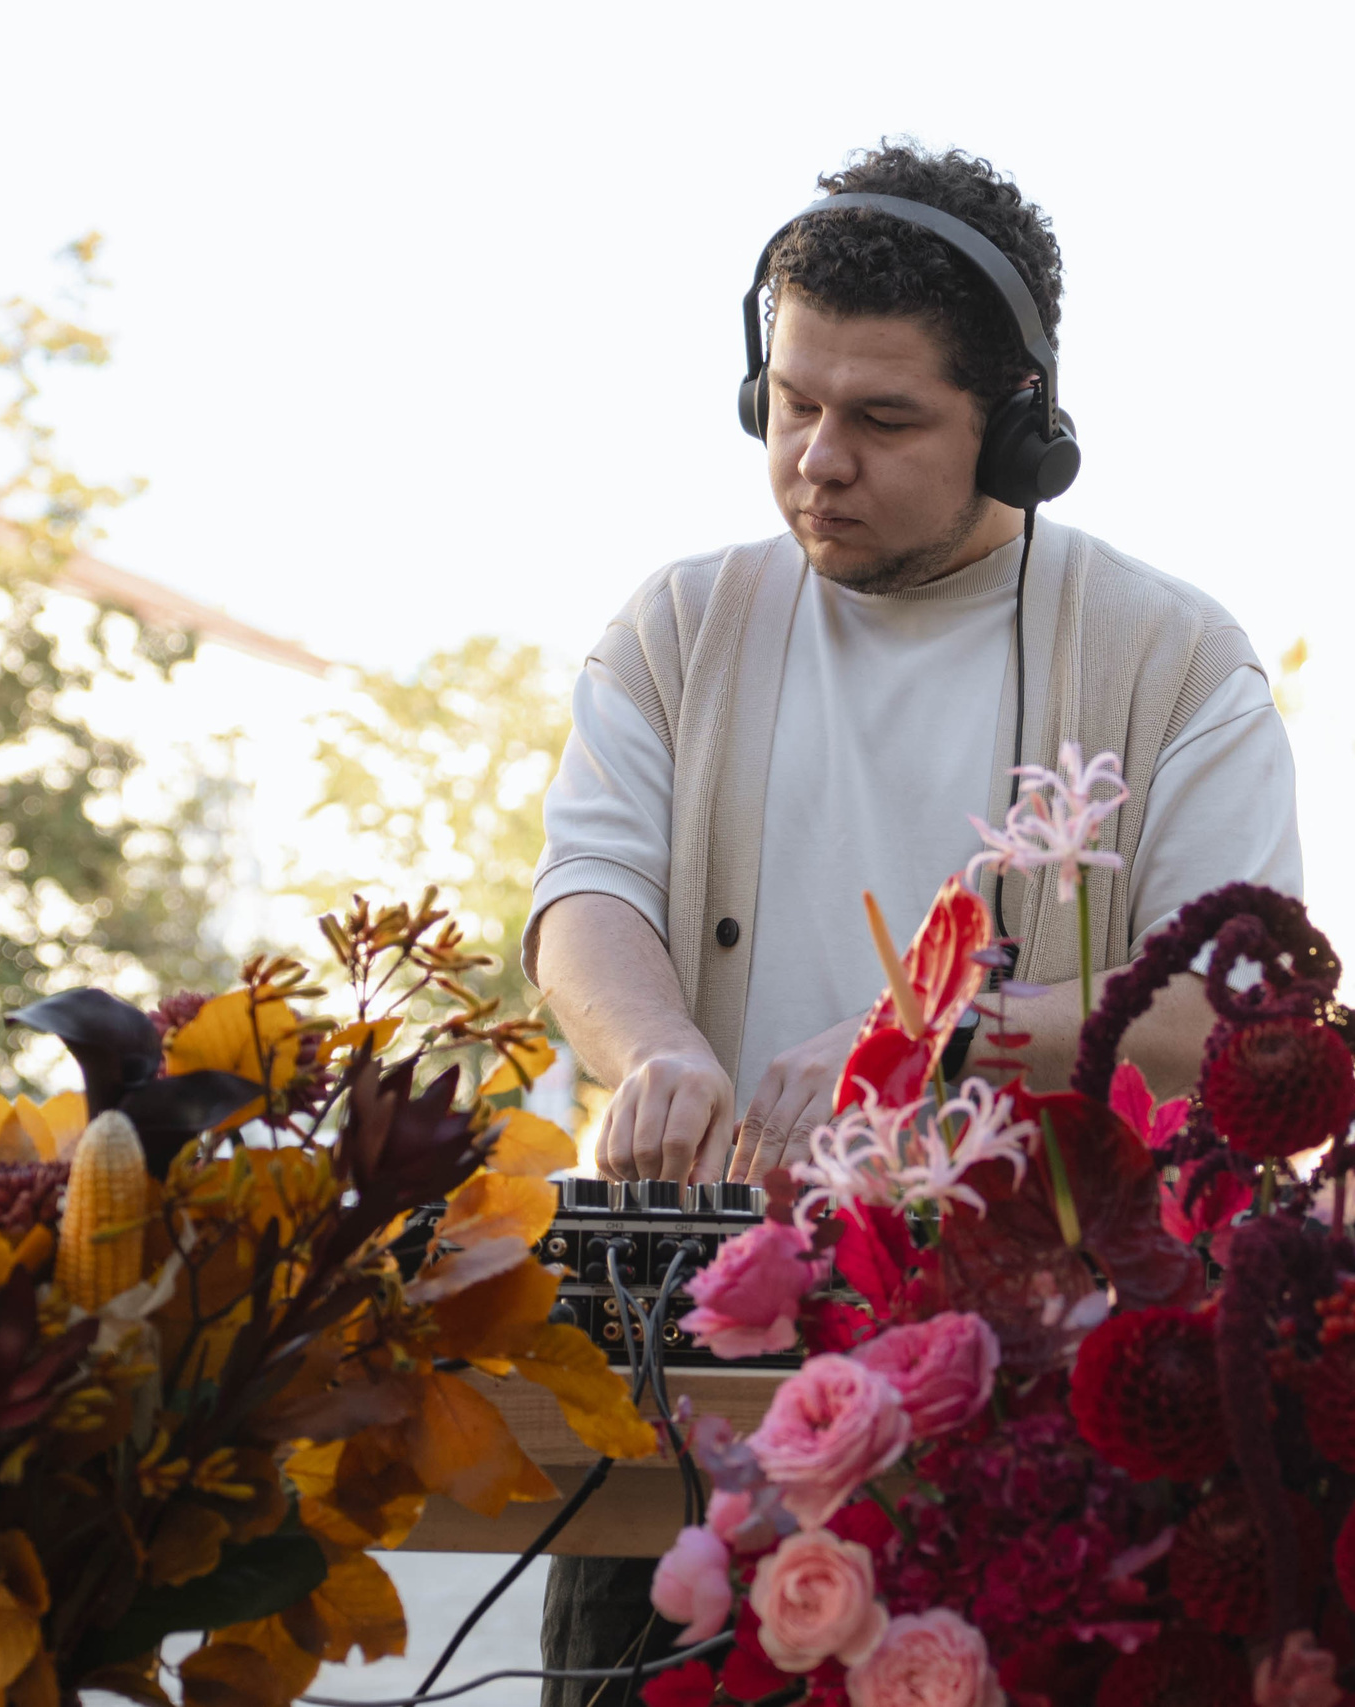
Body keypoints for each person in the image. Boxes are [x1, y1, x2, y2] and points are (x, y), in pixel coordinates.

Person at [526, 142, 1301, 1697]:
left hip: (1010, 1418)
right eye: (793, 403)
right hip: (685, 1392)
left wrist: (930, 1043)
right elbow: (585, 895)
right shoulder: (677, 629)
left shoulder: (1176, 663)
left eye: (883, 421)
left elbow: (1230, 1014)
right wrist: (655, 1042)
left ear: (1021, 427)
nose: (819, 457)